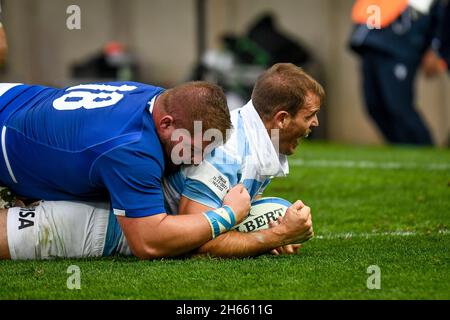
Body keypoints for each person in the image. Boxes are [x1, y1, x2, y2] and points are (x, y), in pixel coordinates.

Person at [0, 63, 320, 259]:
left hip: (14, 98)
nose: (196, 159)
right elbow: (149, 243)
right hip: (8, 136)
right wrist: (235, 219)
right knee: (40, 231)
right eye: (196, 148)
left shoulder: (163, 100)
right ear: (166, 125)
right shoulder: (134, 150)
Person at [349, 0, 446, 145]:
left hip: (400, 50)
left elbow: (439, 17)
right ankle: (400, 147)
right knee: (374, 106)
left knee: (399, 107)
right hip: (372, 45)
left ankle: (425, 148)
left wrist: (436, 50)